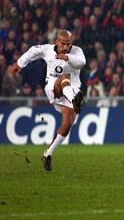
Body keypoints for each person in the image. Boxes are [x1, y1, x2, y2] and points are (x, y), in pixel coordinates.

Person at [10, 30, 86, 171]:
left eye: (68, 44)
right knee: (64, 77)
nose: (65, 47)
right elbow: (33, 51)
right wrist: (20, 63)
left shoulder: (76, 51)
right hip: (53, 88)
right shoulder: (47, 49)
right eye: (63, 44)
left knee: (67, 124)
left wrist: (67, 57)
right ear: (57, 41)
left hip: (72, 89)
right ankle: (75, 100)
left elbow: (81, 62)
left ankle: (47, 154)